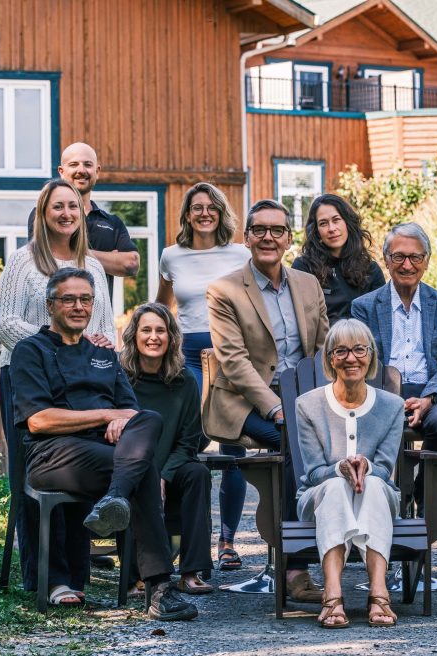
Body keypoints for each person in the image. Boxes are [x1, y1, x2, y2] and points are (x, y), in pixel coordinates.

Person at [10, 268, 200, 621]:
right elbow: (39, 420)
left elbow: (133, 414)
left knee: (150, 420)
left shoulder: (103, 354)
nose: (78, 306)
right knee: (142, 470)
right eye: (69, 299)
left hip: (107, 455)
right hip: (53, 456)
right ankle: (160, 589)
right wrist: (105, 415)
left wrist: (121, 418)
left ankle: (116, 499)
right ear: (50, 305)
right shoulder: (30, 350)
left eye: (85, 299)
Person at [0, 178, 115, 604]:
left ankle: (76, 575)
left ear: (82, 213)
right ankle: (43, 576)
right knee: (34, 473)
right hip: (28, 377)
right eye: (57, 207)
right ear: (43, 214)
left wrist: (96, 345)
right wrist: (57, 347)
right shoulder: (22, 262)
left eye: (72, 207)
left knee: (78, 466)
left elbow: (104, 328)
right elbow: (6, 324)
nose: (66, 214)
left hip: (82, 383)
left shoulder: (93, 267)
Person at [204, 199, 329, 602]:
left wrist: (322, 401)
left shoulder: (308, 285)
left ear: (289, 239)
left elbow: (323, 349)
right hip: (245, 402)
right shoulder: (224, 290)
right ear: (247, 238)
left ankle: (344, 550)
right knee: (295, 444)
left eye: (277, 230)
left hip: (303, 399)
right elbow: (233, 361)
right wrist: (274, 407)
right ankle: (295, 567)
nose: (268, 238)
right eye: (260, 230)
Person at [155, 182, 250, 571]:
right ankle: (180, 539)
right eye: (197, 207)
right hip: (189, 357)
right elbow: (162, 306)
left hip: (232, 356)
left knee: (233, 449)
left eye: (212, 207)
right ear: (187, 215)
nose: (205, 213)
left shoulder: (241, 254)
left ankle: (227, 542)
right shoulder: (171, 256)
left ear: (221, 212)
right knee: (187, 444)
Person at [295, 319, 405, 628]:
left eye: (359, 349)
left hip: (377, 496)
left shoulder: (392, 406)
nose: (351, 358)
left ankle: (378, 592)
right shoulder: (308, 405)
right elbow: (314, 472)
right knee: (334, 487)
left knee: (373, 484)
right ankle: (333, 594)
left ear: (370, 355)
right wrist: (339, 469)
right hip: (319, 498)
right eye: (340, 351)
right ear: (330, 359)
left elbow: (384, 468)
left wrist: (365, 467)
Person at [351, 222, 437, 513]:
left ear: (426, 260)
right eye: (399, 256)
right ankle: (388, 498)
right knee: (367, 426)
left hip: (431, 391)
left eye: (415, 257)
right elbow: (360, 363)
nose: (407, 265)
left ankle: (422, 492)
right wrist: (389, 399)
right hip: (382, 392)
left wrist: (428, 398)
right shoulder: (364, 306)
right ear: (386, 260)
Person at [119, 303, 213, 594]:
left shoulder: (185, 380)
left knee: (198, 473)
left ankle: (191, 572)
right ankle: (135, 577)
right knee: (130, 483)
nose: (153, 337)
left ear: (171, 337)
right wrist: (147, 476)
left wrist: (163, 476)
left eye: (161, 330)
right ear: (134, 336)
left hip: (170, 472)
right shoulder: (121, 378)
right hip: (131, 469)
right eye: (146, 330)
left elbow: (189, 441)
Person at [27, 142, 139, 283]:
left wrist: (73, 251)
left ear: (97, 171)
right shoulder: (44, 214)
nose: (81, 170)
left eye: (88, 164)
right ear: (61, 171)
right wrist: (110, 258)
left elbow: (131, 264)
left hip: (100, 298)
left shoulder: (112, 223)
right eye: (74, 164)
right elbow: (43, 257)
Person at [291, 193, 385, 324]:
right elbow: (301, 320)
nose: (331, 228)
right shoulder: (303, 268)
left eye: (336, 220)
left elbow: (380, 319)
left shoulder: (370, 270)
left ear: (347, 223)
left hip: (362, 337)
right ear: (316, 231)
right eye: (323, 223)